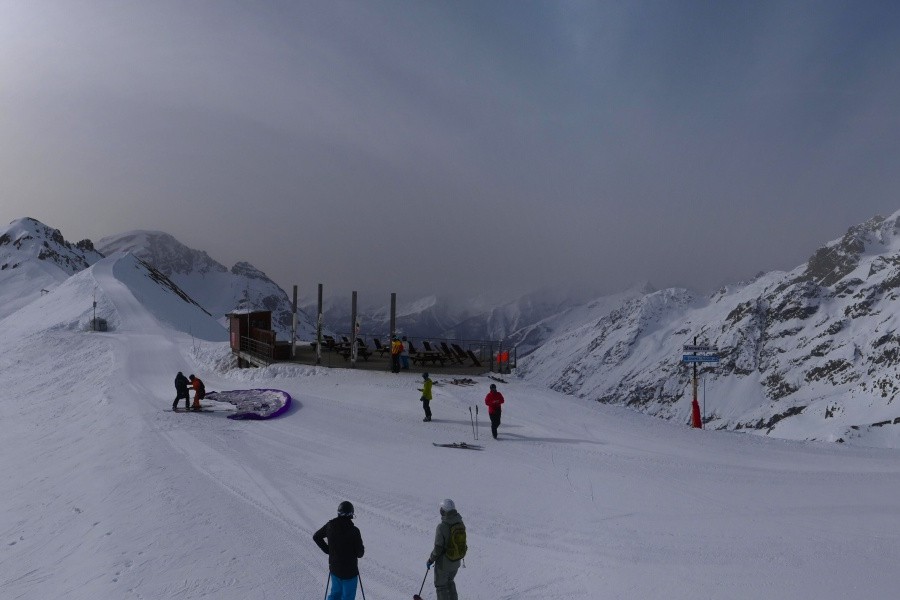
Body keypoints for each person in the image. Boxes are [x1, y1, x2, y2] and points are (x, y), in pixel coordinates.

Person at [314, 500, 365, 600]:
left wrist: (328, 550)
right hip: (350, 572)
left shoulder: (330, 525)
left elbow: (316, 537)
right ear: (351, 514)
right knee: (348, 597)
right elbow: (360, 553)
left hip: (335, 569)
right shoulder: (354, 531)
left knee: (335, 594)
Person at [427, 499, 465, 600]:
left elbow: (438, 548)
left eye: (441, 509)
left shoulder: (442, 527)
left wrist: (430, 560)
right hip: (456, 562)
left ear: (444, 511)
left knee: (441, 586)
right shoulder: (460, 522)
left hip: (444, 564)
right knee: (450, 582)